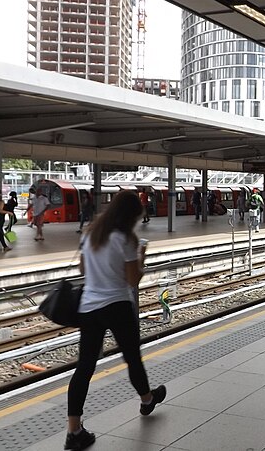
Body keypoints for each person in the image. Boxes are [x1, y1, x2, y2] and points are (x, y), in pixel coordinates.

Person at [65, 191, 166, 451]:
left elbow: (84, 271)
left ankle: (74, 431)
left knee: (85, 367)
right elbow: (133, 281)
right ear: (131, 216)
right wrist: (142, 254)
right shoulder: (126, 239)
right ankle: (147, 400)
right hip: (118, 306)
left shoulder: (91, 234)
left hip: (89, 307)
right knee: (132, 358)